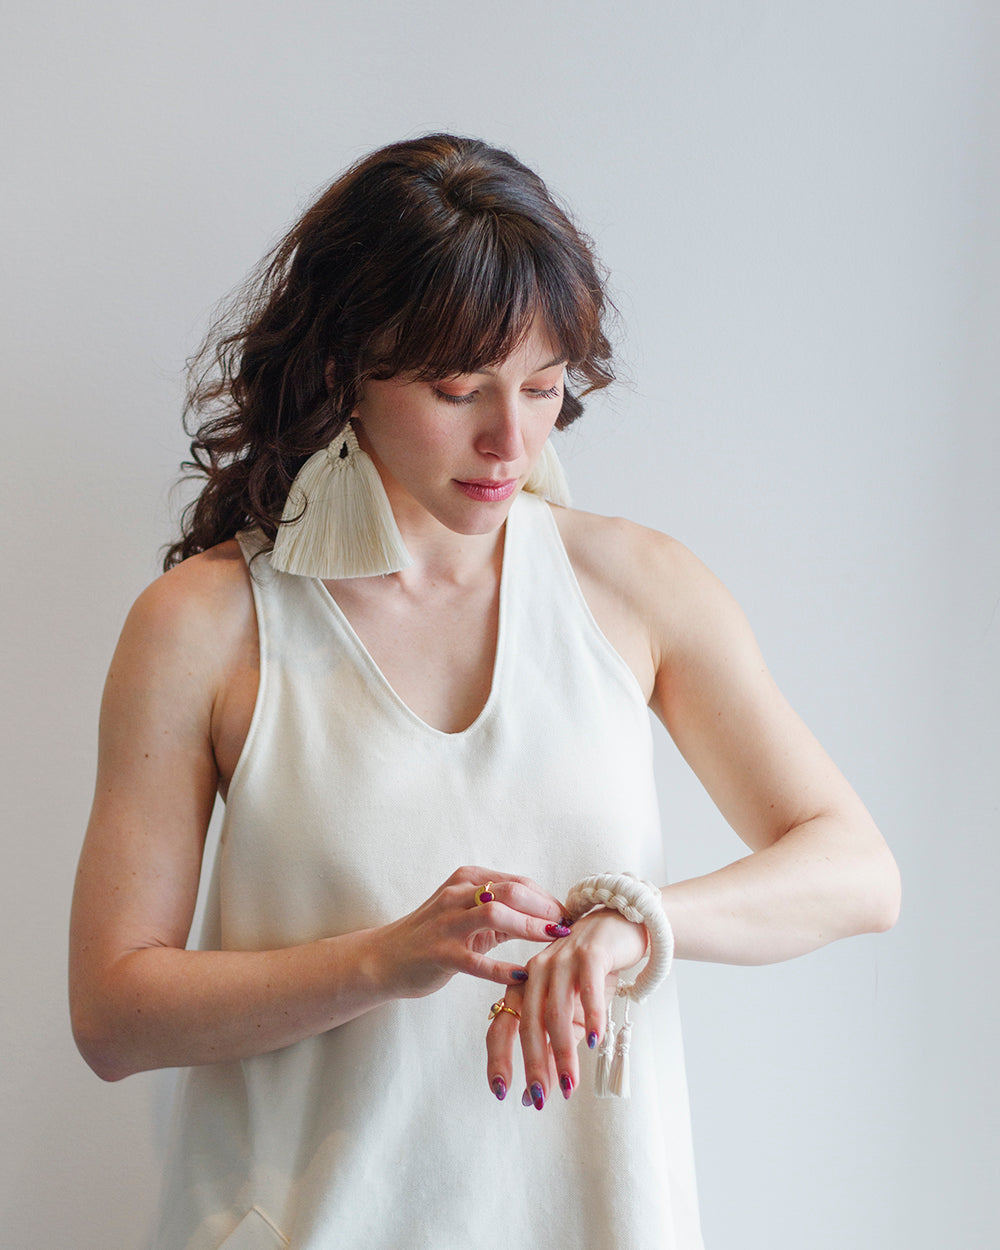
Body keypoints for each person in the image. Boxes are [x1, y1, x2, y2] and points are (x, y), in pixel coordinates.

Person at [69, 134, 901, 1250]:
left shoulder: (634, 586)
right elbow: (114, 1013)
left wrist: (630, 924)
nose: (509, 439)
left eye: (544, 387)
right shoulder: (205, 624)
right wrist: (385, 957)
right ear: (339, 371)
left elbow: (857, 868)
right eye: (459, 390)